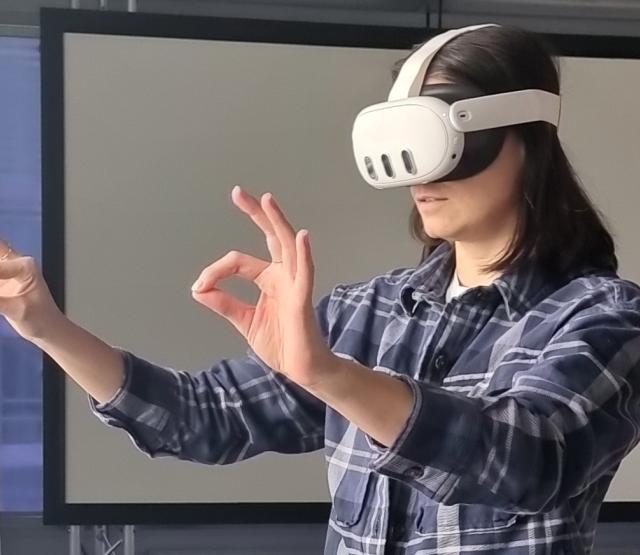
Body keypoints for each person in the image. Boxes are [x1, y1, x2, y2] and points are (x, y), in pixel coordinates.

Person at [2, 23, 640, 555]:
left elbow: (531, 458)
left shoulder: (602, 317)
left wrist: (331, 375)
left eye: (444, 140)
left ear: (528, 138)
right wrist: (45, 325)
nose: (420, 173)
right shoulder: (369, 313)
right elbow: (201, 420)